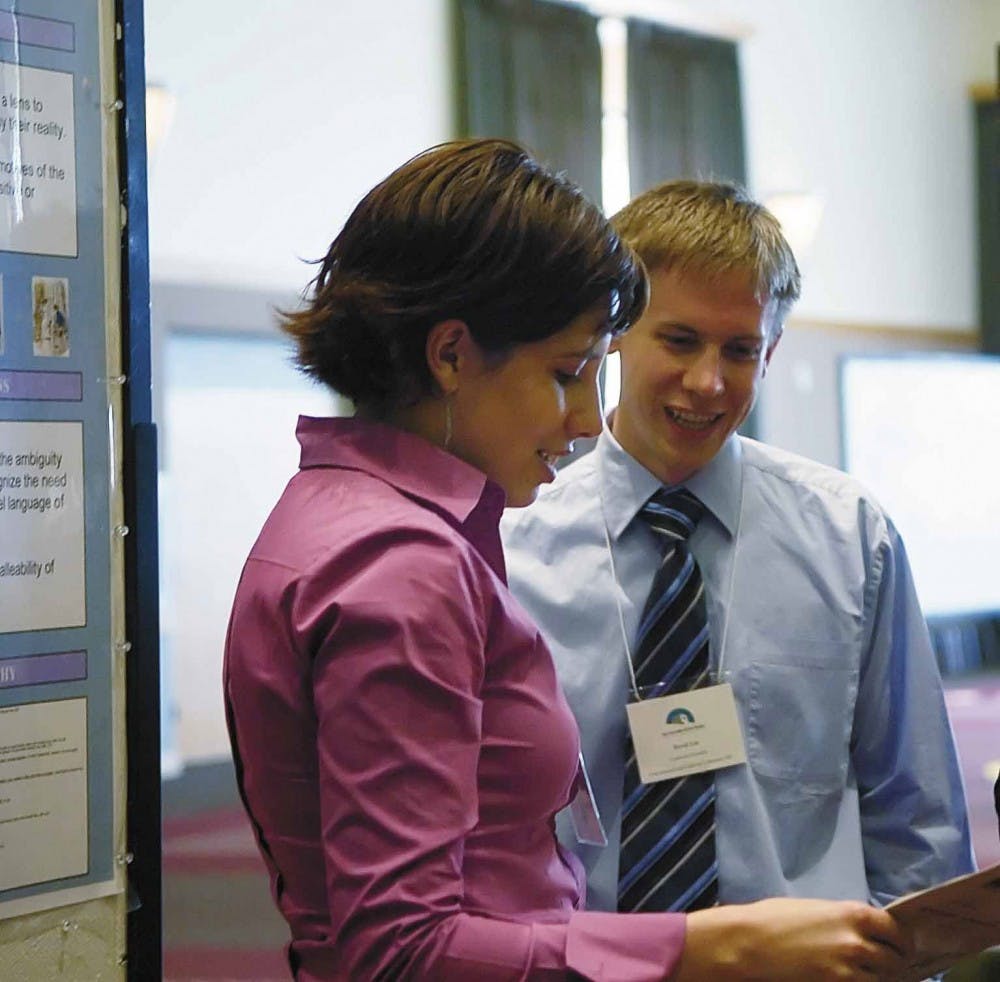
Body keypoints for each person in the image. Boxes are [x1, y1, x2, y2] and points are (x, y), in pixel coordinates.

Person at [224, 142, 913, 980]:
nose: (588, 418)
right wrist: (711, 948)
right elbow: (403, 949)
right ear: (450, 356)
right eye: (567, 373)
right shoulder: (402, 565)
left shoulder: (344, 516)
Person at [501, 179, 976, 915]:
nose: (708, 382)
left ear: (772, 350)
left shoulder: (851, 539)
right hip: (586, 957)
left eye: (741, 350)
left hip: (804, 965)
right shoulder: (512, 549)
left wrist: (906, 963)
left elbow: (919, 822)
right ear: (615, 331)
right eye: (680, 340)